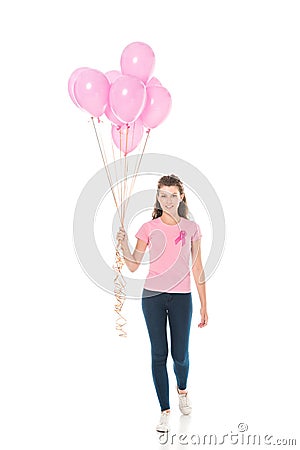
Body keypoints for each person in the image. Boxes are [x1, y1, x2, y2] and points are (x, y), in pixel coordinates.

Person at [116, 174, 208, 433]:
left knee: (180, 355)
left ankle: (182, 390)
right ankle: (164, 409)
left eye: (173, 195)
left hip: (181, 298)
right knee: (159, 354)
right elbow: (133, 265)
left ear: (181, 197)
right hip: (152, 297)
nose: (168, 200)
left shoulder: (191, 229)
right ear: (157, 197)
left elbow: (198, 267)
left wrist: (204, 304)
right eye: (163, 195)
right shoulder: (148, 227)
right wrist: (123, 243)